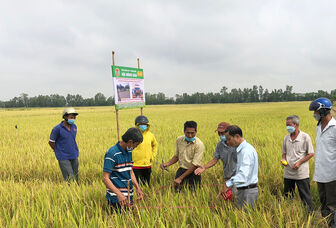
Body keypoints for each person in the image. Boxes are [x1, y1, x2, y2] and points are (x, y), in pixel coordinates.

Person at [102, 128, 144, 213]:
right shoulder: (112, 153)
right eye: (136, 145)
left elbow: (130, 171)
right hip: (116, 198)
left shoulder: (129, 151)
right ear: (130, 142)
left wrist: (138, 188)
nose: (135, 147)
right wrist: (119, 194)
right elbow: (105, 178)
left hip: (128, 196)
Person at [309, 97, 336, 227]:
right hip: (320, 173)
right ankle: (326, 223)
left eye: (316, 111)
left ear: (324, 111)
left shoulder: (335, 128)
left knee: (332, 205)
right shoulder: (318, 126)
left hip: (332, 174)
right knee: (323, 203)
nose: (314, 114)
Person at [219, 125, 258, 209]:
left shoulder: (246, 151)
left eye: (229, 139)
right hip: (243, 190)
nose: (228, 142)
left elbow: (243, 175)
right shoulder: (241, 150)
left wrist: (227, 184)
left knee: (246, 219)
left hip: (248, 191)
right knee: (241, 217)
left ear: (237, 136)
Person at [281, 115, 314, 212]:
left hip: (301, 174)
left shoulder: (305, 137)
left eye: (289, 125)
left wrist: (299, 162)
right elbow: (284, 154)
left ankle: (309, 215)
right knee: (287, 196)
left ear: (296, 124)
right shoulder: (286, 138)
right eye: (286, 125)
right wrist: (283, 160)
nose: (287, 127)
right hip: (288, 173)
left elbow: (311, 153)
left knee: (305, 196)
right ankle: (288, 212)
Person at [160, 121, 204, 191]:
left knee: (194, 194)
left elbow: (195, 165)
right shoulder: (179, 140)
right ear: (184, 131)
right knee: (177, 192)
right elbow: (177, 156)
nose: (190, 135)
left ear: (196, 132)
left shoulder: (199, 144)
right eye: (187, 133)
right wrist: (168, 164)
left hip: (194, 172)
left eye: (192, 133)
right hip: (181, 170)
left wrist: (180, 178)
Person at [49, 107, 79, 182]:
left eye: (74, 117)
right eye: (71, 117)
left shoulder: (74, 127)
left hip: (74, 154)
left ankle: (76, 192)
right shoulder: (57, 129)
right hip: (63, 156)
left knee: (76, 176)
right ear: (65, 117)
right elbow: (51, 142)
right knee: (70, 178)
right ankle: (71, 191)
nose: (73, 119)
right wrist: (57, 150)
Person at [132, 115, 158, 186]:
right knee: (136, 185)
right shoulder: (133, 135)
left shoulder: (150, 135)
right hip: (135, 165)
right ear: (137, 125)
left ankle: (145, 196)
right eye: (141, 124)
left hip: (147, 165)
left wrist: (152, 156)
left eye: (145, 124)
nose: (143, 126)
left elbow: (155, 145)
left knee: (146, 184)